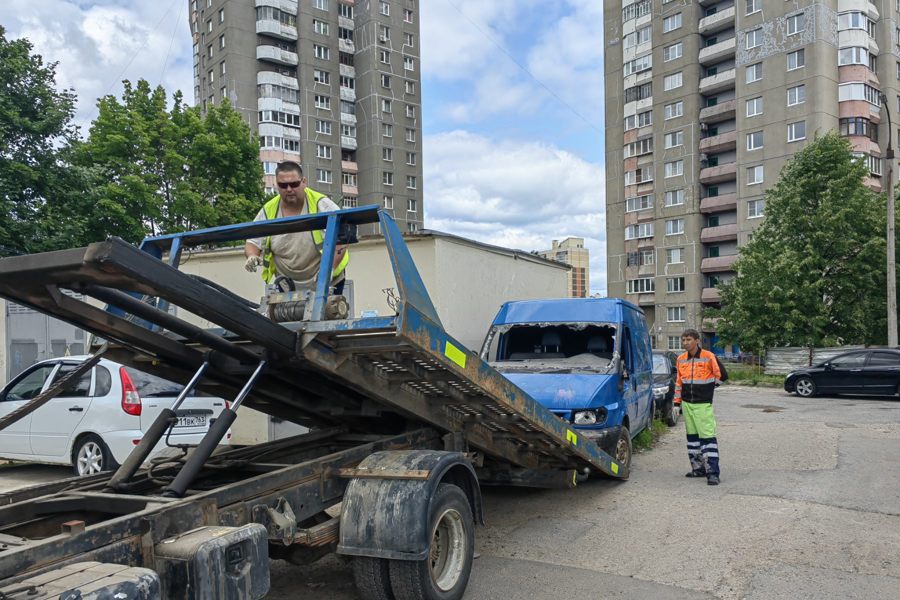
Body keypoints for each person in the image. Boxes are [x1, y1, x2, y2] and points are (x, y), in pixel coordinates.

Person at [244, 161, 349, 295]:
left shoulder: (322, 205)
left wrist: (329, 270)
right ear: (277, 185)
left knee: (329, 314)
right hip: (287, 286)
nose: (289, 189)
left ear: (304, 182)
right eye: (283, 185)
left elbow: (341, 241)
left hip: (326, 281)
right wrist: (252, 255)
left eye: (294, 184)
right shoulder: (268, 210)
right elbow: (252, 241)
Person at [674, 329, 723, 485]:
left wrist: (708, 390)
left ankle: (713, 473)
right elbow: (678, 382)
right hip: (687, 403)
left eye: (688, 339)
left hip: (703, 404)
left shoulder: (709, 356)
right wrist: (676, 403)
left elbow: (722, 375)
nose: (685, 343)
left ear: (697, 341)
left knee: (707, 438)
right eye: (683, 340)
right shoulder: (681, 359)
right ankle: (698, 469)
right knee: (692, 439)